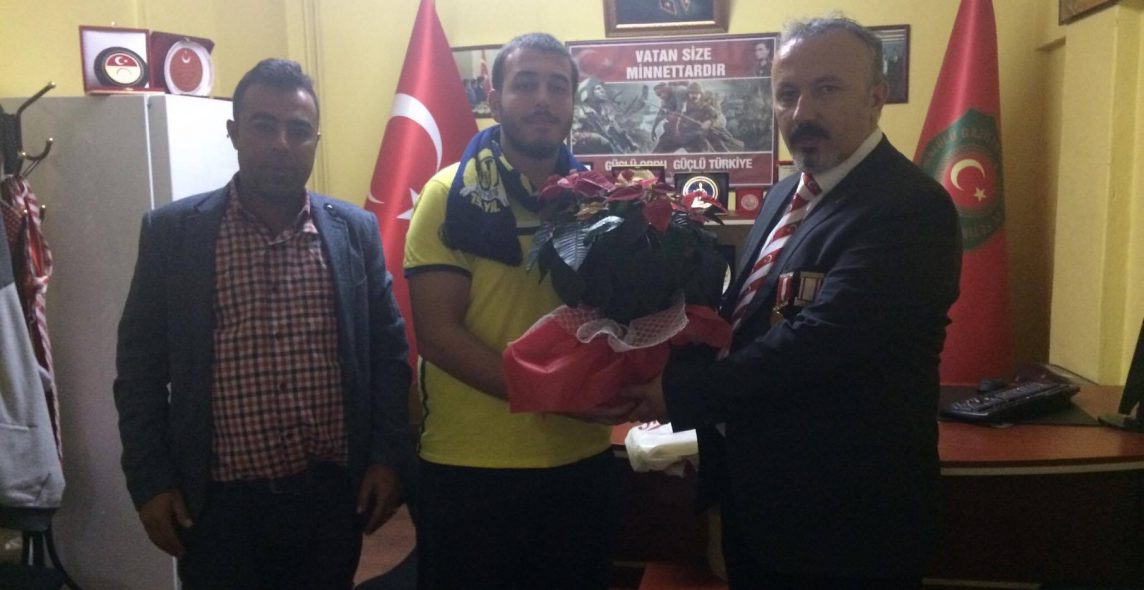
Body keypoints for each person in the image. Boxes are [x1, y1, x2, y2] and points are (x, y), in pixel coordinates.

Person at [622, 16, 961, 589]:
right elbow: (744, 322)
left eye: (827, 89)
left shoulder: (909, 208)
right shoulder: (786, 192)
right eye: (787, 94)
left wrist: (674, 391)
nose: (802, 112)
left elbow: (820, 343)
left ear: (876, 97)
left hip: (848, 522)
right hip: (757, 504)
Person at [113, 58, 413, 589]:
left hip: (329, 498)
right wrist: (150, 481)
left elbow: (388, 355)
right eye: (263, 125)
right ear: (233, 133)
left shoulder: (354, 232)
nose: (281, 144)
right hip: (217, 506)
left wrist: (388, 458)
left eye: (298, 130)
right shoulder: (173, 235)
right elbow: (139, 371)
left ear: (315, 140)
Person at [403, 33, 633, 589]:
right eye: (526, 84)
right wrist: (557, 396)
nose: (543, 100)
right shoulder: (447, 196)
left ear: (573, 100)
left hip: (579, 456)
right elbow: (438, 335)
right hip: (471, 463)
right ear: (494, 96)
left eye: (558, 86)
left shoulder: (601, 201)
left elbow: (622, 316)